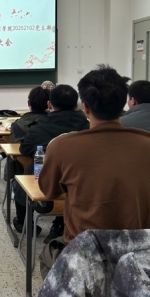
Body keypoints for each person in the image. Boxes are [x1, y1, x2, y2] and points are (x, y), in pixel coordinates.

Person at [38, 65, 150, 244]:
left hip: (83, 248)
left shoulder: (62, 146)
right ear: (124, 103)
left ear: (85, 107)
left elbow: (48, 190)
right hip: (134, 247)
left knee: (48, 254)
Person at [14, 84, 90, 243]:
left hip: (45, 196)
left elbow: (24, 149)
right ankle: (59, 224)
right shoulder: (88, 127)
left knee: (19, 183)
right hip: (82, 195)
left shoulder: (38, 129)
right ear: (76, 106)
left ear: (49, 104)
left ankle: (24, 224)